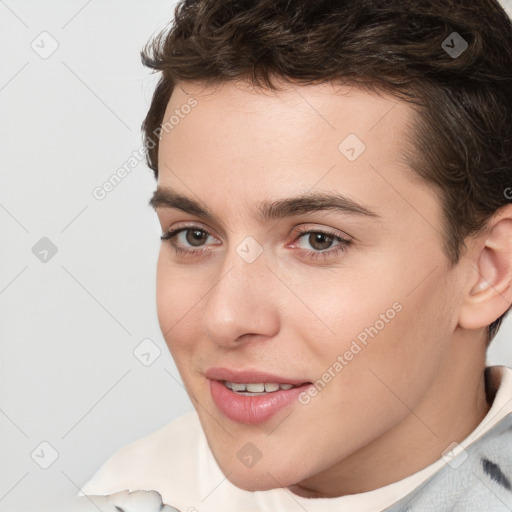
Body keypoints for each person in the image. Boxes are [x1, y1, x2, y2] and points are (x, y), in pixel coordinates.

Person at [78, 0, 512, 510]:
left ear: (489, 270)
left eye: (318, 240)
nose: (224, 318)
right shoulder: (130, 491)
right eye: (194, 235)